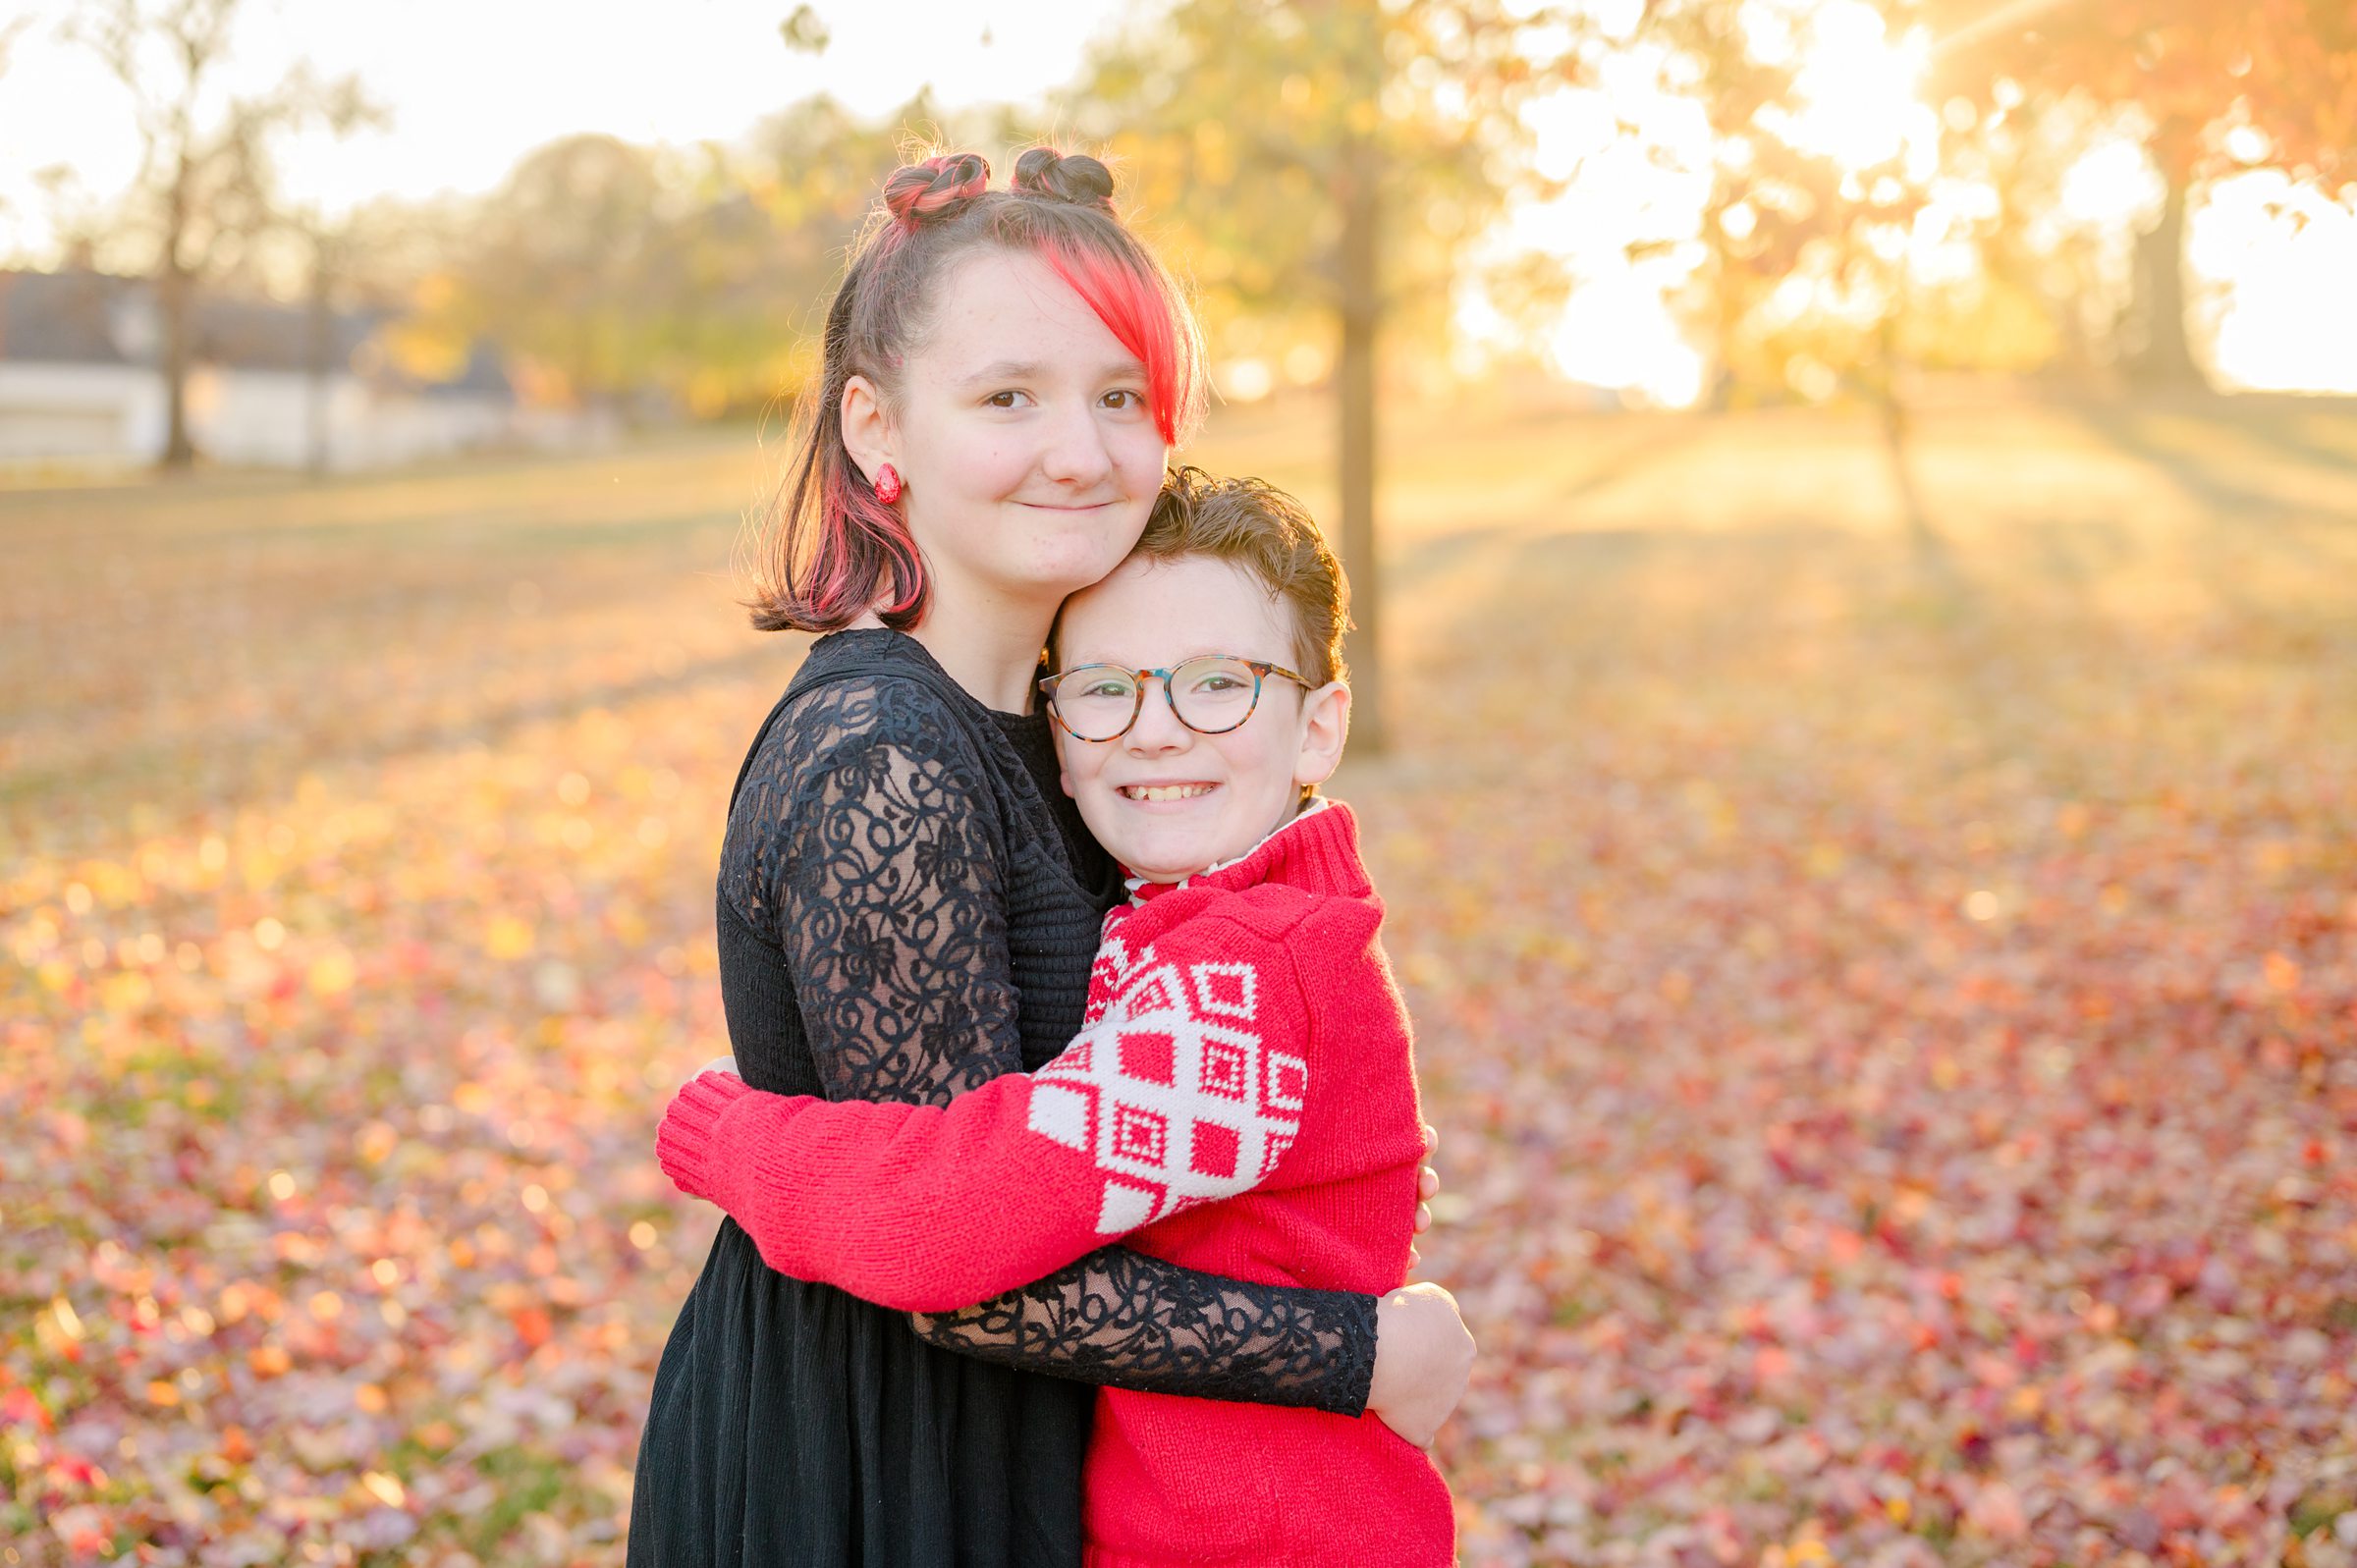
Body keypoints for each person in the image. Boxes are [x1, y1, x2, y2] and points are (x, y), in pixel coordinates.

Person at [626, 148, 1472, 1568]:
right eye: (1009, 395)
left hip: (1062, 1449)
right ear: (879, 431)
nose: (1080, 448)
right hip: (884, 1455)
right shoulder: (885, 762)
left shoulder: (1079, 721)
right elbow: (961, 1276)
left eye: (1120, 395)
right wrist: (1358, 1348)